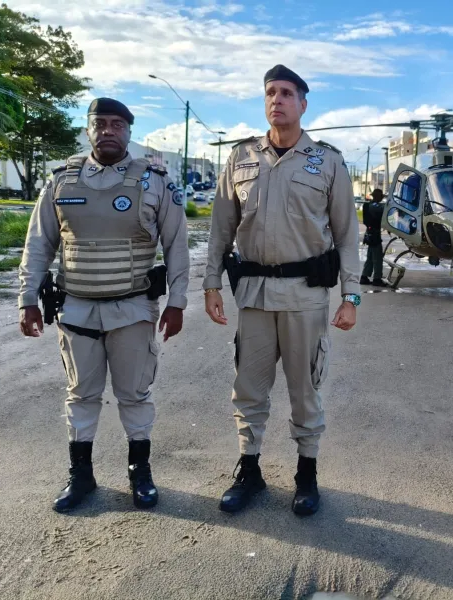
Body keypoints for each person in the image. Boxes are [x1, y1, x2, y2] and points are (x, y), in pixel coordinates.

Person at [18, 98, 190, 512]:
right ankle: (81, 475)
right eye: (100, 123)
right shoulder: (61, 181)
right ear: (89, 129)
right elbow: (38, 244)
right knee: (81, 394)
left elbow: (177, 247)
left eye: (117, 124)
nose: (109, 130)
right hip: (76, 309)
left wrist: (178, 302)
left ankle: (140, 472)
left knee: (134, 394)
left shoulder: (155, 181)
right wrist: (28, 299)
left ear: (129, 131)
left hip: (133, 310)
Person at [204, 65, 360, 517]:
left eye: (287, 92)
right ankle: (248, 470)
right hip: (252, 294)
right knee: (248, 387)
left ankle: (306, 475)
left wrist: (352, 296)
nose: (277, 99)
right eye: (270, 92)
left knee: (304, 389)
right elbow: (220, 228)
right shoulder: (241, 158)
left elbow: (347, 236)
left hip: (305, 296)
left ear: (303, 104)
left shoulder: (327, 161)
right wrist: (211, 282)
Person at [361, 188, 386, 286]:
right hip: (374, 234)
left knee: (370, 257)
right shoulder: (374, 206)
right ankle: (377, 278)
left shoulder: (368, 205)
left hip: (370, 233)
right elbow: (383, 208)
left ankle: (364, 276)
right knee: (378, 257)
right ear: (378, 197)